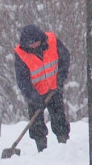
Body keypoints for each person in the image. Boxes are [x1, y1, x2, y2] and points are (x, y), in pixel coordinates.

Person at [14, 24, 70, 152]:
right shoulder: (21, 54)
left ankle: (63, 142)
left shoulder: (52, 41)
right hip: (35, 92)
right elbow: (22, 80)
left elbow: (65, 58)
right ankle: (41, 147)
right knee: (36, 122)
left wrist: (60, 78)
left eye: (35, 42)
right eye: (30, 44)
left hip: (53, 88)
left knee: (59, 116)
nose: (33, 46)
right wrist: (33, 97)